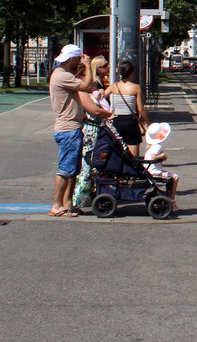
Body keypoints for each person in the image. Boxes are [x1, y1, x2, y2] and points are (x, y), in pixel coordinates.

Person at [48, 44, 107, 216]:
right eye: (78, 59)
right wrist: (88, 66)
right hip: (68, 128)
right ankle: (57, 204)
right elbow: (88, 87)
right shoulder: (62, 75)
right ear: (73, 59)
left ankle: (68, 204)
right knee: (66, 168)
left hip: (73, 126)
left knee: (73, 169)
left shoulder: (63, 75)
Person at [106, 60, 150, 157]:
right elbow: (141, 109)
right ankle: (132, 170)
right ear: (131, 72)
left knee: (117, 152)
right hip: (130, 122)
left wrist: (107, 114)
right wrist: (148, 124)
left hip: (116, 121)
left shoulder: (113, 87)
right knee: (133, 155)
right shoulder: (136, 87)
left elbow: (100, 98)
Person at [141, 122, 179, 208]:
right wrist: (162, 156)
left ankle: (169, 196)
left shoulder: (150, 146)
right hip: (155, 172)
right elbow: (154, 157)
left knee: (171, 177)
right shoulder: (157, 146)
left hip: (148, 170)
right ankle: (172, 198)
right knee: (175, 177)